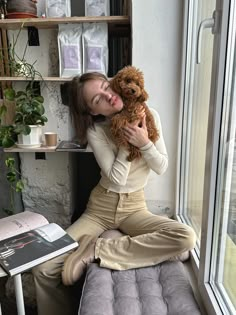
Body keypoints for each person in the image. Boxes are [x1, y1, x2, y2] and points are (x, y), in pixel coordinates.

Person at [33, 72, 196, 315]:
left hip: (135, 208)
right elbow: (116, 178)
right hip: (99, 209)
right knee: (44, 268)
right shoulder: (95, 132)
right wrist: (125, 141)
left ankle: (98, 250)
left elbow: (161, 166)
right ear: (93, 112)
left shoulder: (150, 117)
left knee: (185, 238)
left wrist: (144, 142)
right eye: (97, 99)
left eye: (106, 86)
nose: (108, 96)